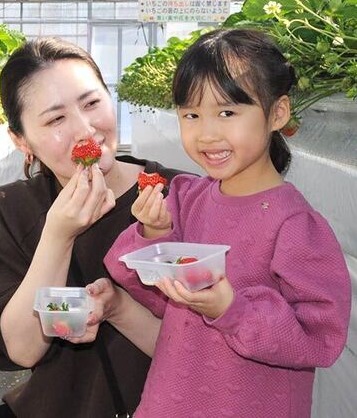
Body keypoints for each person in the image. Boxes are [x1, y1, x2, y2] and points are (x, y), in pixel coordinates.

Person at [104, 28, 351, 417]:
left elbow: (318, 339)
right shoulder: (186, 199)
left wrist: (231, 308)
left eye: (227, 112)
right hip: (170, 402)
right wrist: (155, 233)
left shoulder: (295, 225)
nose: (206, 133)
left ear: (278, 112)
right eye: (191, 114)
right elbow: (151, 295)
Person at [0, 37, 186, 418]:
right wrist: (57, 235)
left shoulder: (179, 194)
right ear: (21, 140)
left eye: (92, 103)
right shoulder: (14, 209)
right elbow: (21, 348)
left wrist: (119, 306)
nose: (85, 129)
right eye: (55, 119)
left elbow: (210, 347)